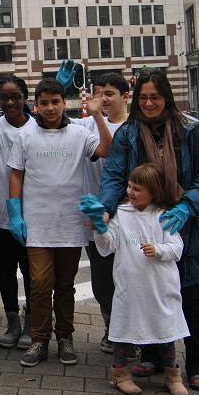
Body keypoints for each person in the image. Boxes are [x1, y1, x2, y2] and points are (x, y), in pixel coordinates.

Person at [99, 69, 199, 390]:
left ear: (167, 96)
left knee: (193, 294)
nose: (149, 103)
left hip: (186, 221)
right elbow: (113, 175)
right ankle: (152, 355)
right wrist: (106, 207)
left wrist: (187, 205)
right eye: (143, 97)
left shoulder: (192, 131)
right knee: (148, 292)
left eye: (155, 96)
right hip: (144, 219)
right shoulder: (128, 134)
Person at [6, 78, 112, 367]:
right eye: (44, 103)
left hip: (70, 223)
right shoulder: (25, 135)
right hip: (38, 224)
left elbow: (105, 149)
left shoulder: (79, 133)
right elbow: (15, 173)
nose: (50, 108)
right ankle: (40, 339)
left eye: (56, 102)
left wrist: (98, 115)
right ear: (36, 106)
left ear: (65, 103)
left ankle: (65, 336)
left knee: (65, 285)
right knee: (39, 283)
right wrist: (14, 213)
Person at [82, 164, 189, 395]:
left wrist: (158, 249)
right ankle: (120, 373)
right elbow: (108, 245)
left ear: (153, 191)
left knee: (165, 331)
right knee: (123, 330)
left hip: (159, 288)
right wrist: (100, 228)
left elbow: (177, 248)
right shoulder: (121, 214)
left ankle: (172, 375)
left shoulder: (163, 216)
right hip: (129, 288)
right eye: (129, 186)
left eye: (137, 189)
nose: (131, 192)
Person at [65, 69, 131, 354]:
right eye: (98, 93)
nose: (102, 100)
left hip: (127, 214)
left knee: (129, 278)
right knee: (103, 281)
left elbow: (111, 150)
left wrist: (96, 118)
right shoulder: (86, 125)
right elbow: (49, 122)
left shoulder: (134, 127)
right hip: (96, 216)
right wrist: (64, 89)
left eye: (109, 94)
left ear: (125, 96)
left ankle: (130, 333)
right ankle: (111, 328)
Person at [0, 76, 34, 350]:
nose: (11, 102)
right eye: (5, 96)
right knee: (5, 269)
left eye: (16, 96)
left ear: (25, 97)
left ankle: (30, 322)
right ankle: (12, 321)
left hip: (32, 215)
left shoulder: (37, 127)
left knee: (31, 270)